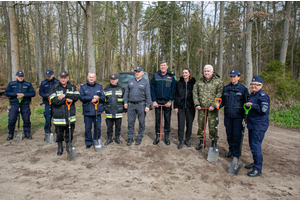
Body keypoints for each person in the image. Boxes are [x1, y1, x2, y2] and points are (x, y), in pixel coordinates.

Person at [49, 71, 80, 156]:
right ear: (59, 78)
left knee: (69, 132)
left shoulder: (72, 87)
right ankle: (60, 147)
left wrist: (65, 95)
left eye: (65, 78)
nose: (63, 79)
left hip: (70, 114)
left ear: (68, 78)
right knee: (59, 134)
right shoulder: (54, 87)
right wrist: (66, 100)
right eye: (62, 78)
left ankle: (68, 145)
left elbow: (76, 97)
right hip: (59, 116)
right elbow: (53, 100)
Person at [193, 64, 223, 150]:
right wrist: (197, 104)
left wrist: (214, 105)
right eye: (205, 71)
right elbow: (195, 93)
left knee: (213, 127)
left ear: (212, 72)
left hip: (212, 110)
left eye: (208, 71)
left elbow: (219, 94)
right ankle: (202, 142)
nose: (206, 73)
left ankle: (214, 143)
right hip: (202, 109)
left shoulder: (218, 82)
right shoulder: (199, 82)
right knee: (201, 126)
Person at [244, 76, 270, 177]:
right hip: (252, 124)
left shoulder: (263, 96)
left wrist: (252, 105)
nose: (254, 86)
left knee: (255, 146)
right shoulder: (252, 95)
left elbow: (263, 110)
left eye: (256, 84)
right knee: (252, 145)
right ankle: (255, 163)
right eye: (252, 84)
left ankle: (258, 169)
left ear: (261, 85)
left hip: (259, 126)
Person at [220, 69, 249, 158]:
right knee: (229, 135)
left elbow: (247, 105)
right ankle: (231, 151)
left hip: (238, 117)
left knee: (237, 136)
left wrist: (245, 118)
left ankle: (236, 154)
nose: (232, 78)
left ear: (238, 77)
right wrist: (217, 105)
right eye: (231, 76)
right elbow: (223, 101)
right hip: (228, 116)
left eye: (234, 76)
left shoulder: (243, 89)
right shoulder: (226, 88)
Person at [123, 66, 151, 146]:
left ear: (142, 73)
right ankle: (130, 138)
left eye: (139, 72)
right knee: (130, 122)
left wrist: (148, 105)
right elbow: (126, 93)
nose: (137, 73)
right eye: (136, 71)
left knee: (141, 122)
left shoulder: (145, 83)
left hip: (141, 105)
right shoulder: (130, 81)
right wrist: (125, 102)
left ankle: (139, 138)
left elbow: (148, 95)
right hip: (131, 105)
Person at [151, 61, 177, 145]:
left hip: (167, 102)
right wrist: (154, 101)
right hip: (158, 102)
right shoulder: (155, 75)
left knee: (167, 120)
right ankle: (157, 136)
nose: (162, 67)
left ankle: (166, 137)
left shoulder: (171, 75)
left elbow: (173, 89)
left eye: (164, 65)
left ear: (167, 66)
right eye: (161, 65)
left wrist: (170, 101)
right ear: (160, 66)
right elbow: (152, 89)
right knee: (158, 120)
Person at [5, 71, 36, 140]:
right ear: (16, 76)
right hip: (14, 104)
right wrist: (16, 94)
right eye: (19, 76)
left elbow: (33, 93)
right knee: (11, 119)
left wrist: (24, 95)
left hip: (25, 104)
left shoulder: (27, 84)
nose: (20, 77)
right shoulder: (11, 84)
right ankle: (10, 134)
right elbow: (7, 93)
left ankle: (27, 133)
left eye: (22, 76)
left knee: (26, 119)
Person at [79, 72, 105, 149]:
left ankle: (96, 139)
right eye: (90, 77)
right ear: (87, 77)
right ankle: (88, 142)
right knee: (87, 128)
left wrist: (98, 98)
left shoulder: (99, 86)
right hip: (87, 111)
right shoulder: (83, 87)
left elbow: (104, 98)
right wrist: (91, 97)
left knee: (98, 127)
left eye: (93, 77)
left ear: (95, 78)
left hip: (97, 111)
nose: (91, 78)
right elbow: (81, 98)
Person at [174, 68, 196, 149]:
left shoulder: (194, 83)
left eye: (186, 73)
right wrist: (176, 106)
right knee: (181, 125)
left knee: (189, 124)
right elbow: (175, 95)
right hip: (181, 107)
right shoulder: (178, 83)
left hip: (191, 107)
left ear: (189, 73)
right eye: (183, 73)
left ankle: (187, 139)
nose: (184, 74)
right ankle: (180, 141)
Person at [103, 74, 126, 145]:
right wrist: (103, 109)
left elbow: (125, 100)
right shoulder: (106, 89)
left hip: (119, 111)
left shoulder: (121, 88)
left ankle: (117, 138)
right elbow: (103, 100)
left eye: (114, 79)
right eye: (112, 79)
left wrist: (124, 110)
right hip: (109, 110)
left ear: (117, 80)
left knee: (118, 126)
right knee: (109, 126)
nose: (113, 81)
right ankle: (109, 139)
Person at [39, 70, 59, 139]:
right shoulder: (43, 82)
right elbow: (40, 92)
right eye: (47, 76)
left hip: (56, 103)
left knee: (57, 118)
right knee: (48, 118)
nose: (48, 77)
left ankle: (58, 132)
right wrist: (45, 95)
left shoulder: (57, 82)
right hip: (47, 103)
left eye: (49, 76)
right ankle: (47, 132)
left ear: (53, 75)